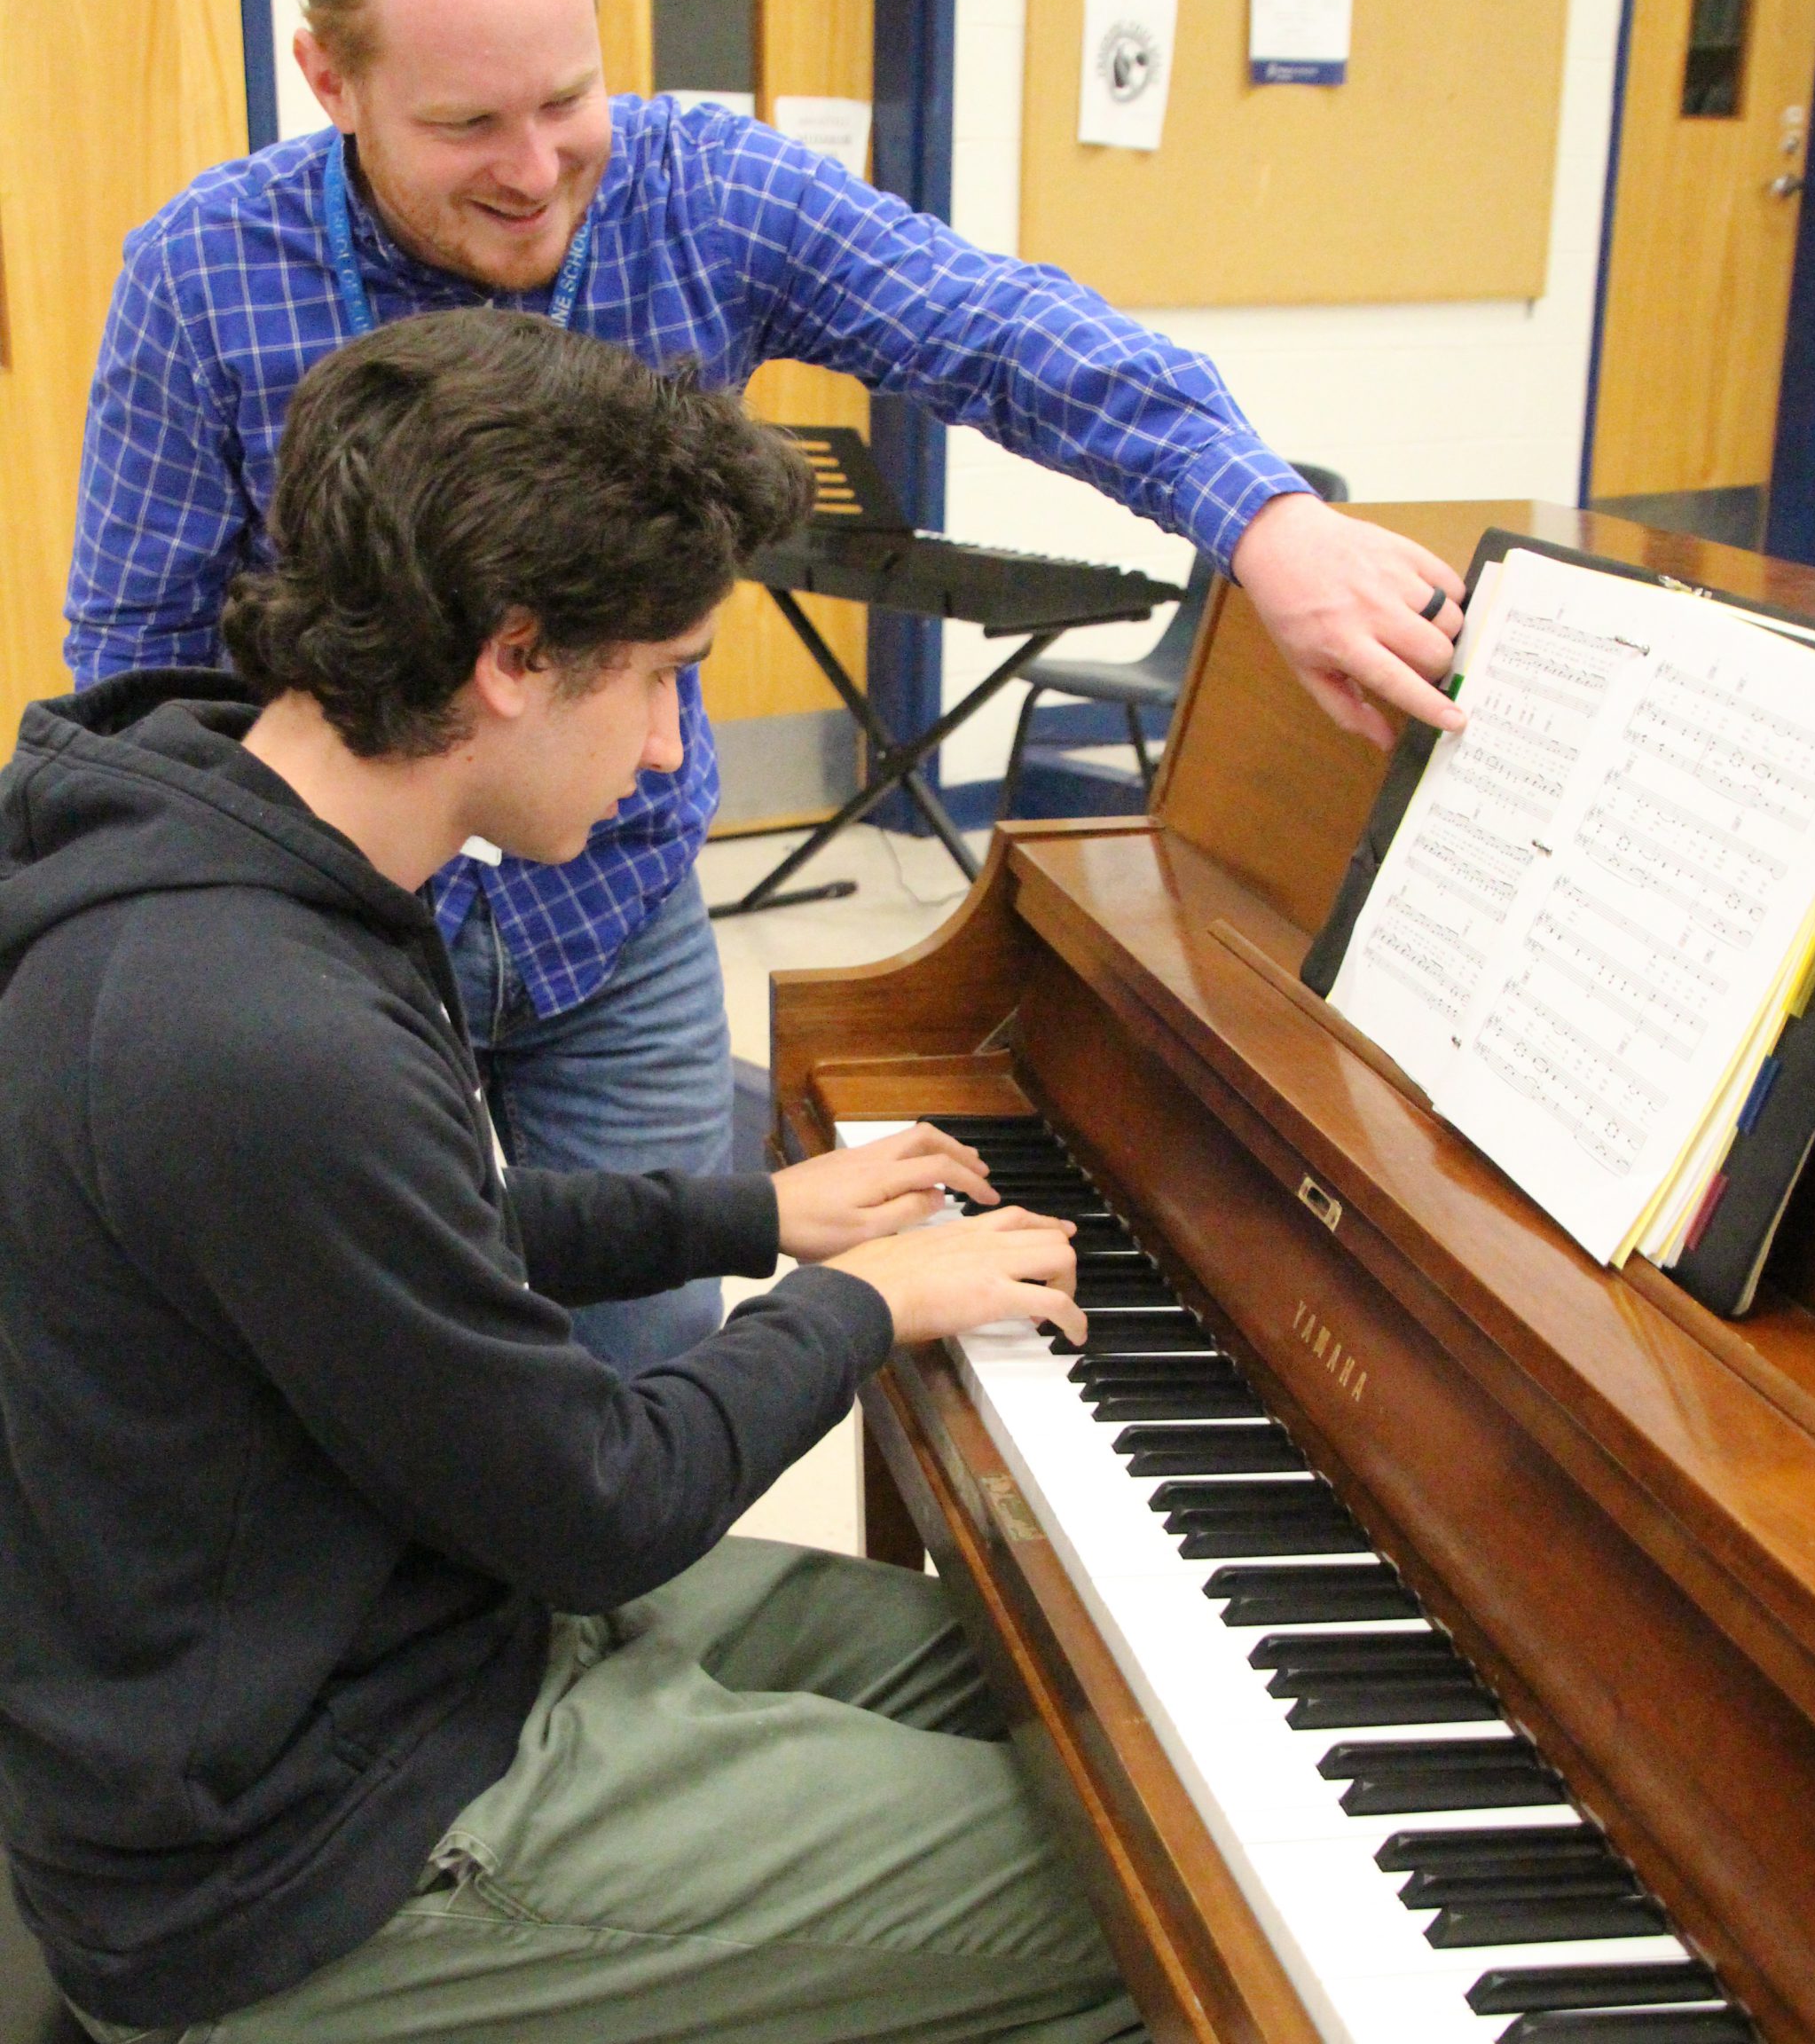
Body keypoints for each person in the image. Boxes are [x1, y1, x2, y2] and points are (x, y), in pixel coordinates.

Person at [67, 0, 1466, 1378]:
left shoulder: (701, 194)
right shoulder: (202, 277)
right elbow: (133, 667)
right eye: (467, 123)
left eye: (567, 101)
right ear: (330, 81)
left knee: (643, 1353)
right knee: (360, 1367)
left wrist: (1260, 517)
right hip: (339, 930)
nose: (536, 173)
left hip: (612, 908)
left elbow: (993, 329)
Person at [0, 307, 1147, 2044]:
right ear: (514, 659)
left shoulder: (231, 830)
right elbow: (597, 1497)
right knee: (1146, 1909)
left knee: (1090, 1688)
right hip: (309, 1853)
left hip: (410, 1638)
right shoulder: (251, 1022)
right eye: (666, 669)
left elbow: (398, 1243)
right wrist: (853, 1302)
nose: (678, 750)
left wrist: (748, 1212)